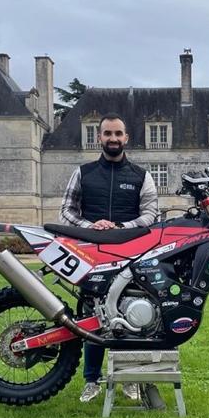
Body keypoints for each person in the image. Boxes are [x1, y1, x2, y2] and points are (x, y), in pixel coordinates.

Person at [60, 113, 159, 403]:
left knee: (130, 314)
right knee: (92, 316)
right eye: (107, 133)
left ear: (126, 138)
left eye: (118, 133)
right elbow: (66, 211)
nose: (113, 138)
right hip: (92, 254)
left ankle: (129, 378)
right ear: (99, 137)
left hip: (131, 255)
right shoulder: (83, 173)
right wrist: (91, 227)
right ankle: (91, 380)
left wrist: (120, 227)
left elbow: (151, 214)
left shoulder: (141, 176)